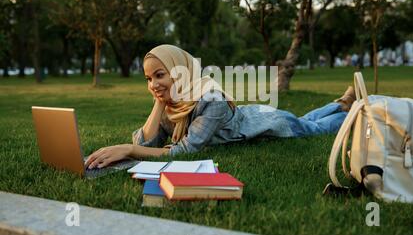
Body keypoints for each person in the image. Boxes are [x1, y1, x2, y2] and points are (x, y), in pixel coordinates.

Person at [85, 44, 356, 169]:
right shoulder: (173, 102)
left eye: (160, 75)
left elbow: (187, 150)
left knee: (311, 127)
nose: (153, 83)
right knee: (304, 118)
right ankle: (341, 103)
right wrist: (157, 103)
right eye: (148, 78)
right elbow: (150, 139)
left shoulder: (210, 99)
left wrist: (131, 149)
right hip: (254, 113)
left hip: (267, 122)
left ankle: (352, 113)